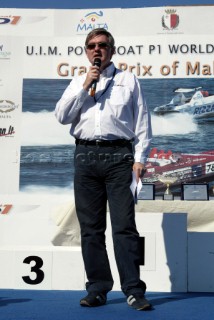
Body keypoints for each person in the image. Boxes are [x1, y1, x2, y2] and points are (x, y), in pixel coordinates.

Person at [55, 28, 152, 311]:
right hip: (85, 157)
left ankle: (133, 290)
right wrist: (86, 85)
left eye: (102, 45)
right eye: (91, 46)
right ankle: (98, 288)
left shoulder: (128, 80)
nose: (96, 50)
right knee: (90, 229)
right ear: (87, 51)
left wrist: (141, 158)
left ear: (111, 49)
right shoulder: (77, 81)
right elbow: (62, 116)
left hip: (120, 158)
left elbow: (143, 121)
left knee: (124, 227)